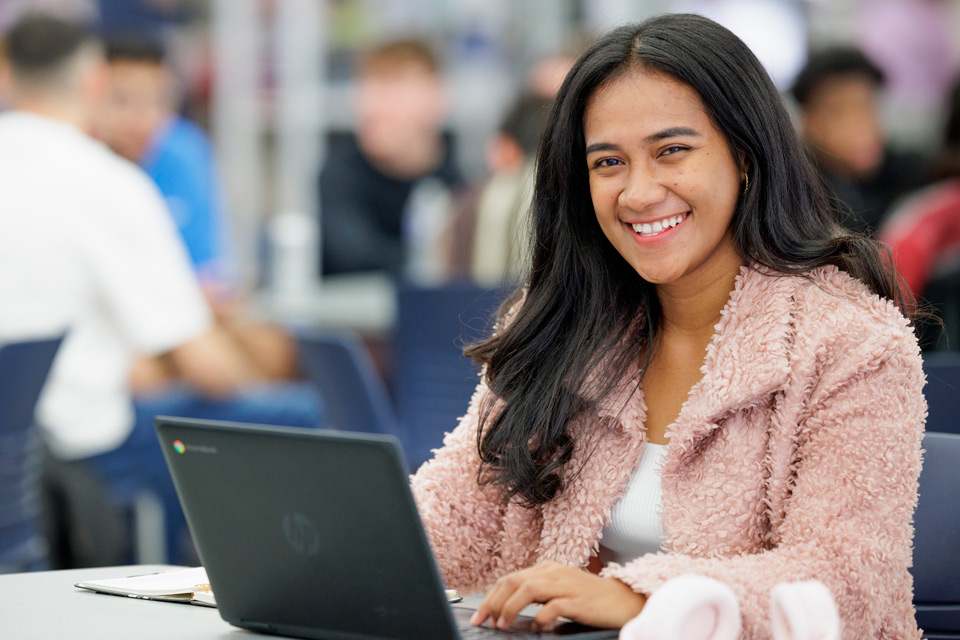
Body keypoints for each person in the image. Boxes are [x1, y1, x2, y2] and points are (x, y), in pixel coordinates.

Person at [411, 14, 925, 638]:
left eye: (671, 151)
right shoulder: (564, 326)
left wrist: (643, 599)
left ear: (744, 155)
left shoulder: (853, 344)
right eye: (608, 162)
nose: (638, 192)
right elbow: (454, 517)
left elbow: (845, 583)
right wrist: (332, 542)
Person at [0, 14, 319, 566]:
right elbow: (212, 372)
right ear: (94, 82)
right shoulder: (108, 184)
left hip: (18, 459)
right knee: (301, 415)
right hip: (82, 450)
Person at [318, 39, 463, 276]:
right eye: (367, 90)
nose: (373, 109)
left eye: (392, 92)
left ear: (436, 100)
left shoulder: (460, 184)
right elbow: (355, 258)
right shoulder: (340, 177)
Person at [790, 46, 927, 236]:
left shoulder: (912, 174)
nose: (860, 125)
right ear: (808, 121)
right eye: (839, 112)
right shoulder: (794, 196)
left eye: (867, 106)